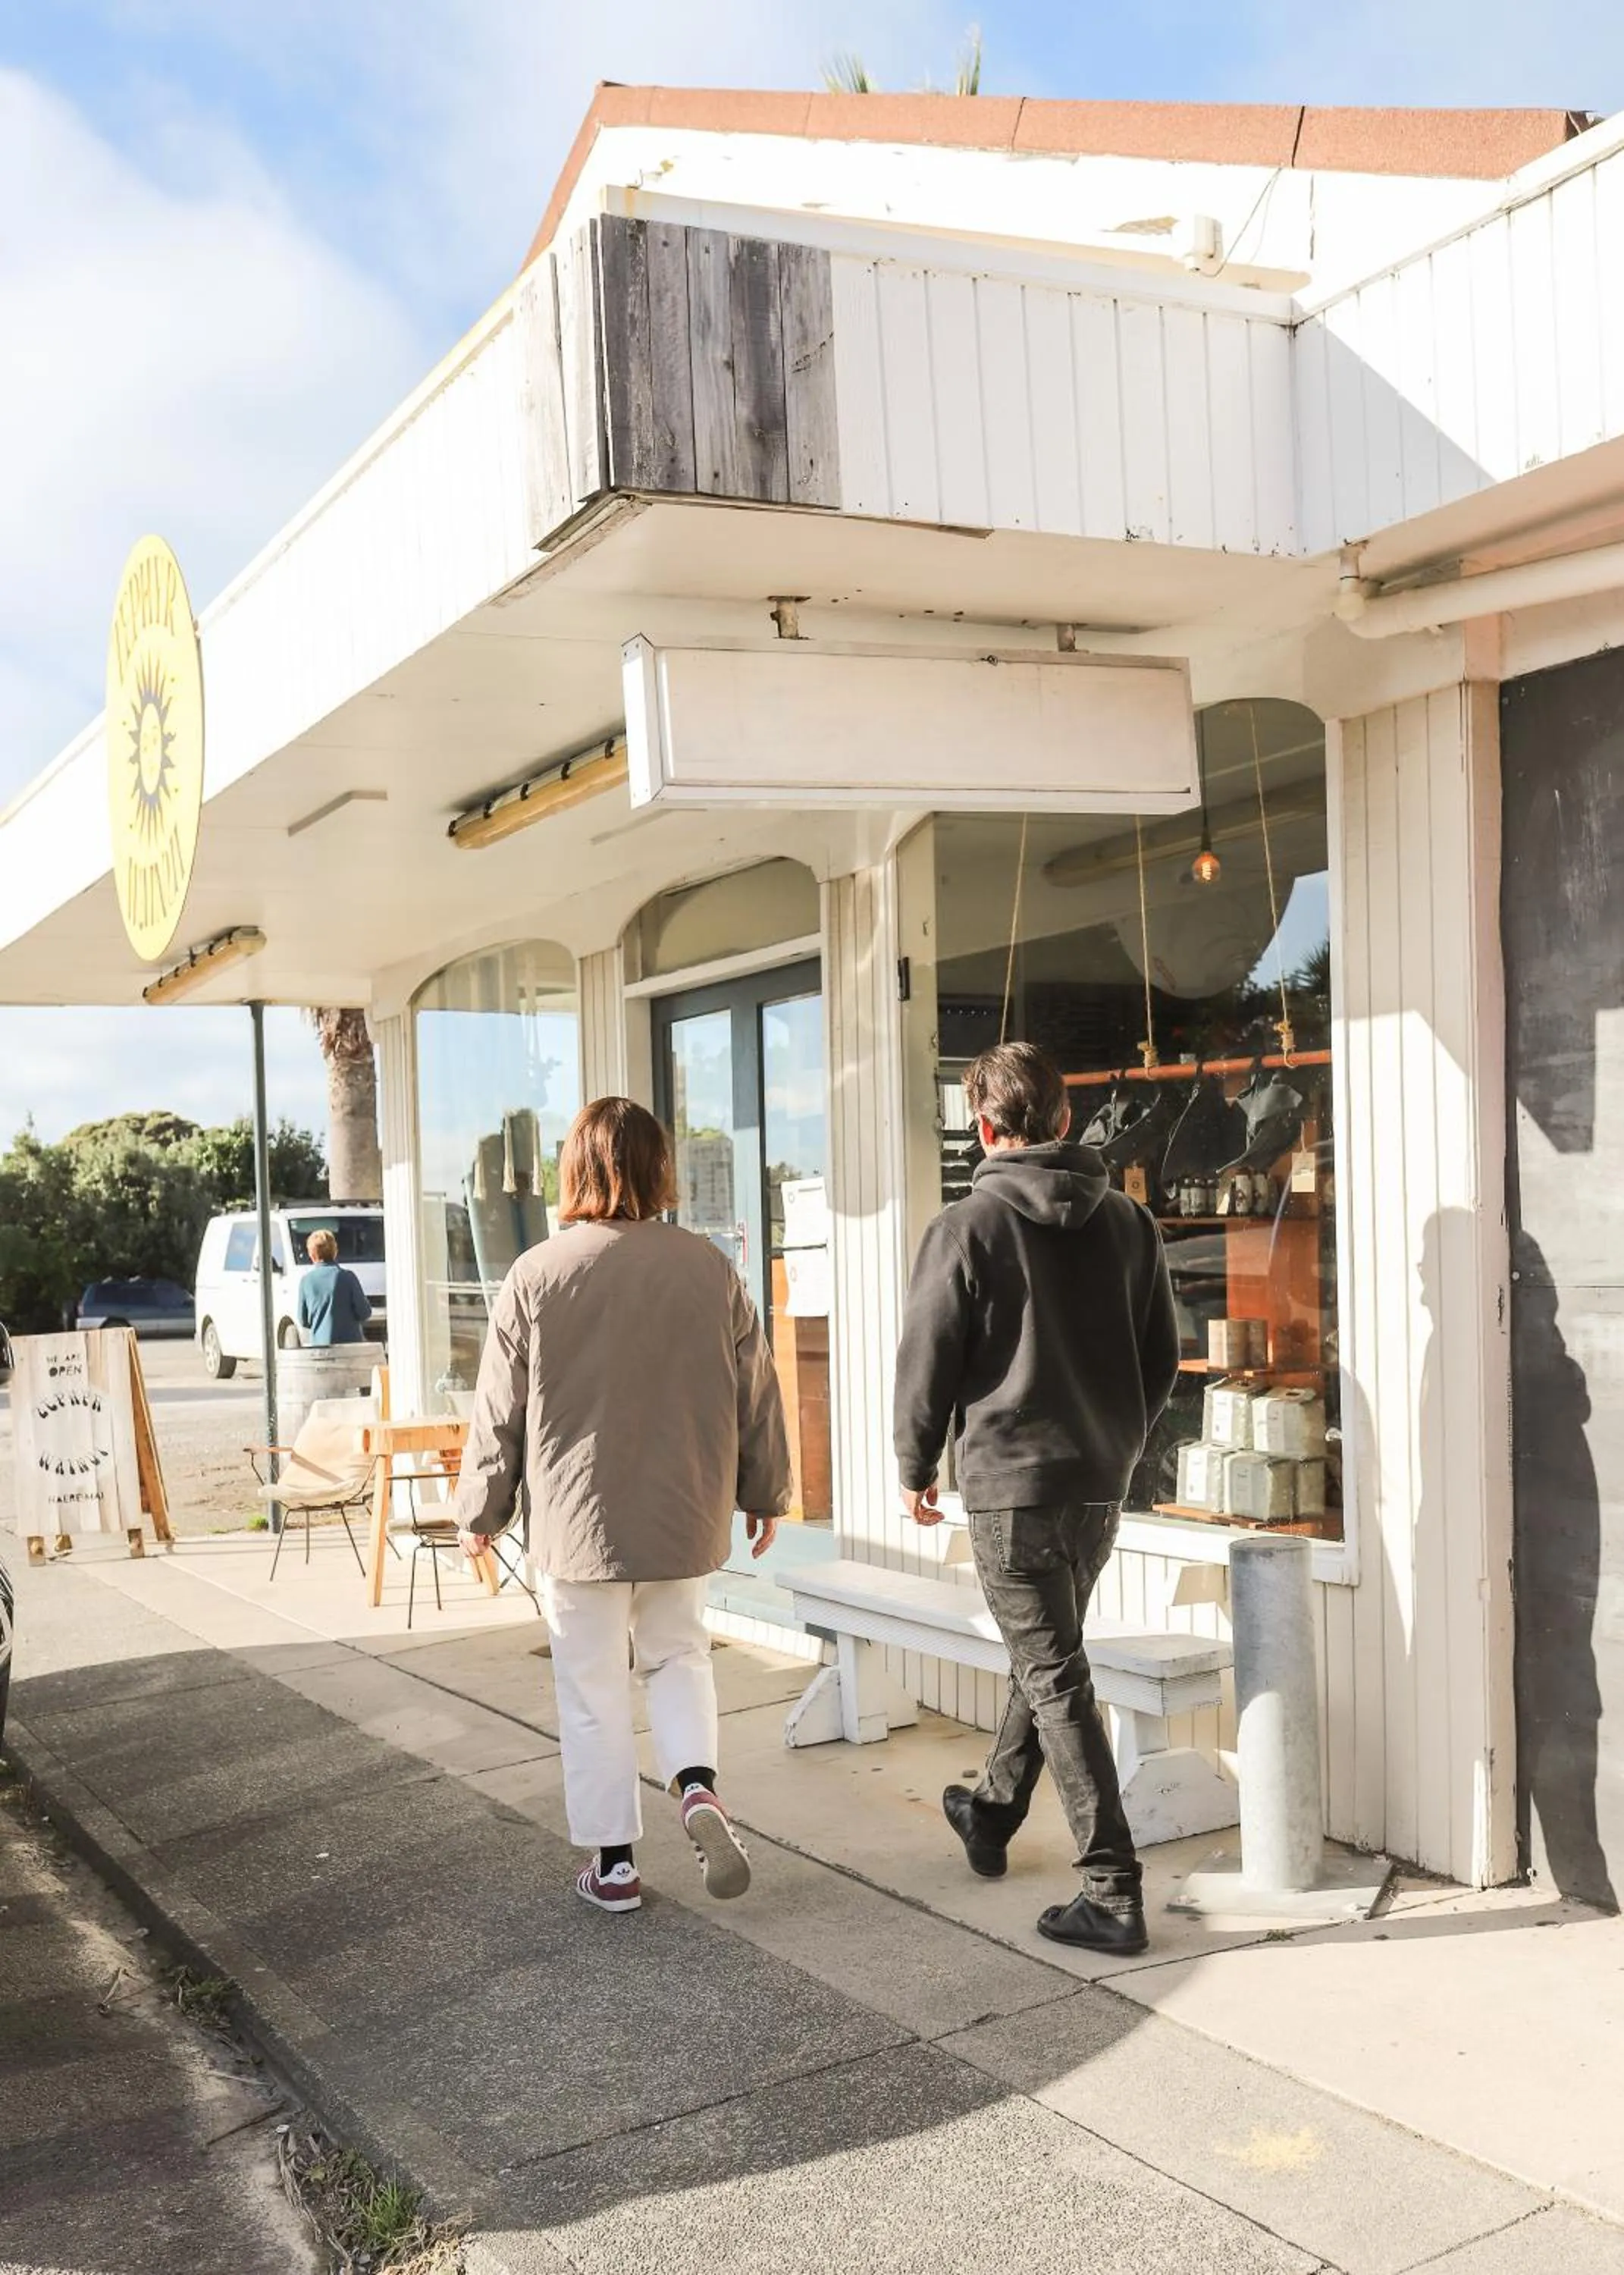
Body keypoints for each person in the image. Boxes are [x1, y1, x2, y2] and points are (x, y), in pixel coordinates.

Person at [454, 1096, 792, 1915]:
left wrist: (480, 1513)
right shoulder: (709, 1267)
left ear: (575, 1169)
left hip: (578, 1524)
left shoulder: (536, 1273)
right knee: (679, 1656)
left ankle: (613, 1865)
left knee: (593, 1685)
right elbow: (756, 1390)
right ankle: (699, 1788)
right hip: (685, 1509)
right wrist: (765, 1490)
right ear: (658, 1169)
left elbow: (499, 1409)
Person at [893, 1040, 1180, 1956]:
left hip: (1012, 1489)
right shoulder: (1131, 1223)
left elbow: (926, 1365)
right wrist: (1119, 1440)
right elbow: (1162, 1361)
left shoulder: (965, 1226)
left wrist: (914, 1467)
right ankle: (989, 1812)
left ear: (983, 1128)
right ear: (1064, 1120)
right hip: (1099, 1483)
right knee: (1047, 1659)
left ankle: (1112, 1889)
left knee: (1054, 1673)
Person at [296, 1228, 372, 1345]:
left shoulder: (306, 1281)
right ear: (335, 1251)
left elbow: (303, 1320)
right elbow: (364, 1312)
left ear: (311, 1254)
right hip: (350, 1347)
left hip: (320, 1348)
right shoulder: (348, 1277)